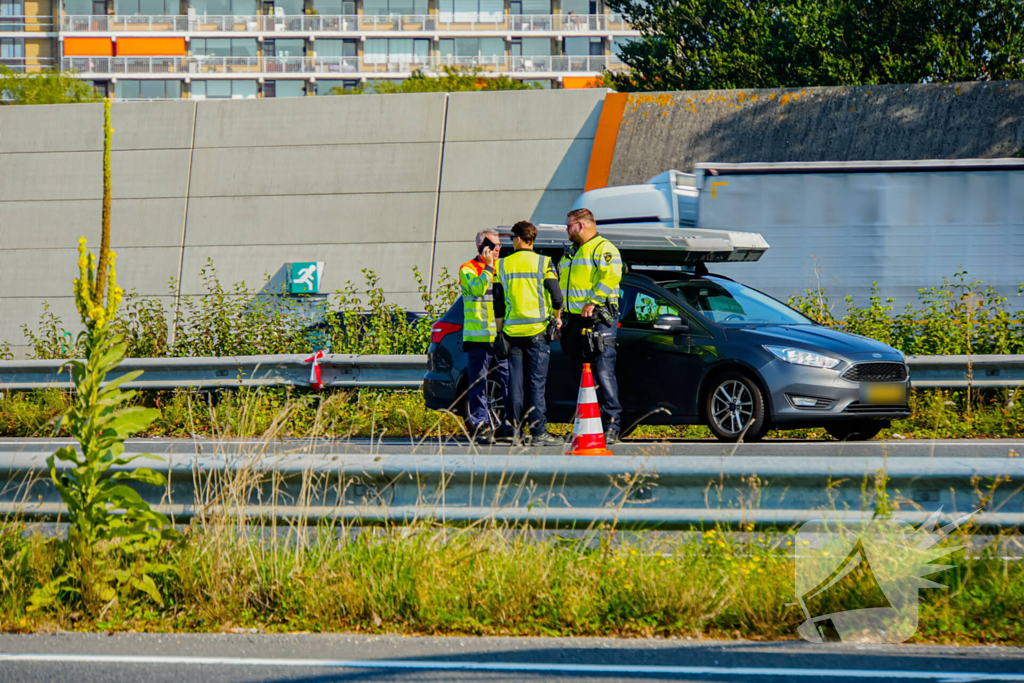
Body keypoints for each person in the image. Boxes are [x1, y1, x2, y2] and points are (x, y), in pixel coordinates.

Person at [559, 207, 624, 443]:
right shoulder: (570, 254)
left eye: (569, 225)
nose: (566, 230)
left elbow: (611, 276)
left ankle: (611, 425)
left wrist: (593, 302)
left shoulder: (603, 248)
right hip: (574, 321)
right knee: (581, 375)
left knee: (602, 370)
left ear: (581, 225)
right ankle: (584, 425)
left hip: (598, 318)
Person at [496, 221, 563, 446]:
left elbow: (498, 304)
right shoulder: (544, 262)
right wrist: (557, 317)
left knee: (515, 384)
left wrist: (499, 331)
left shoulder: (502, 265)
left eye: (512, 238)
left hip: (512, 334)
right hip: (537, 334)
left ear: (519, 238)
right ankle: (538, 433)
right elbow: (557, 298)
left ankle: (513, 431)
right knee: (536, 384)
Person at [459, 229, 509, 444]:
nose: (498, 249)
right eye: (494, 245)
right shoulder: (468, 269)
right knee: (478, 383)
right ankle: (481, 425)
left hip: (501, 337)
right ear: (482, 246)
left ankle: (510, 425)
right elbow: (478, 290)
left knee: (509, 381)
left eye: (499, 245)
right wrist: (488, 267)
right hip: (478, 337)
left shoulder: (504, 267)